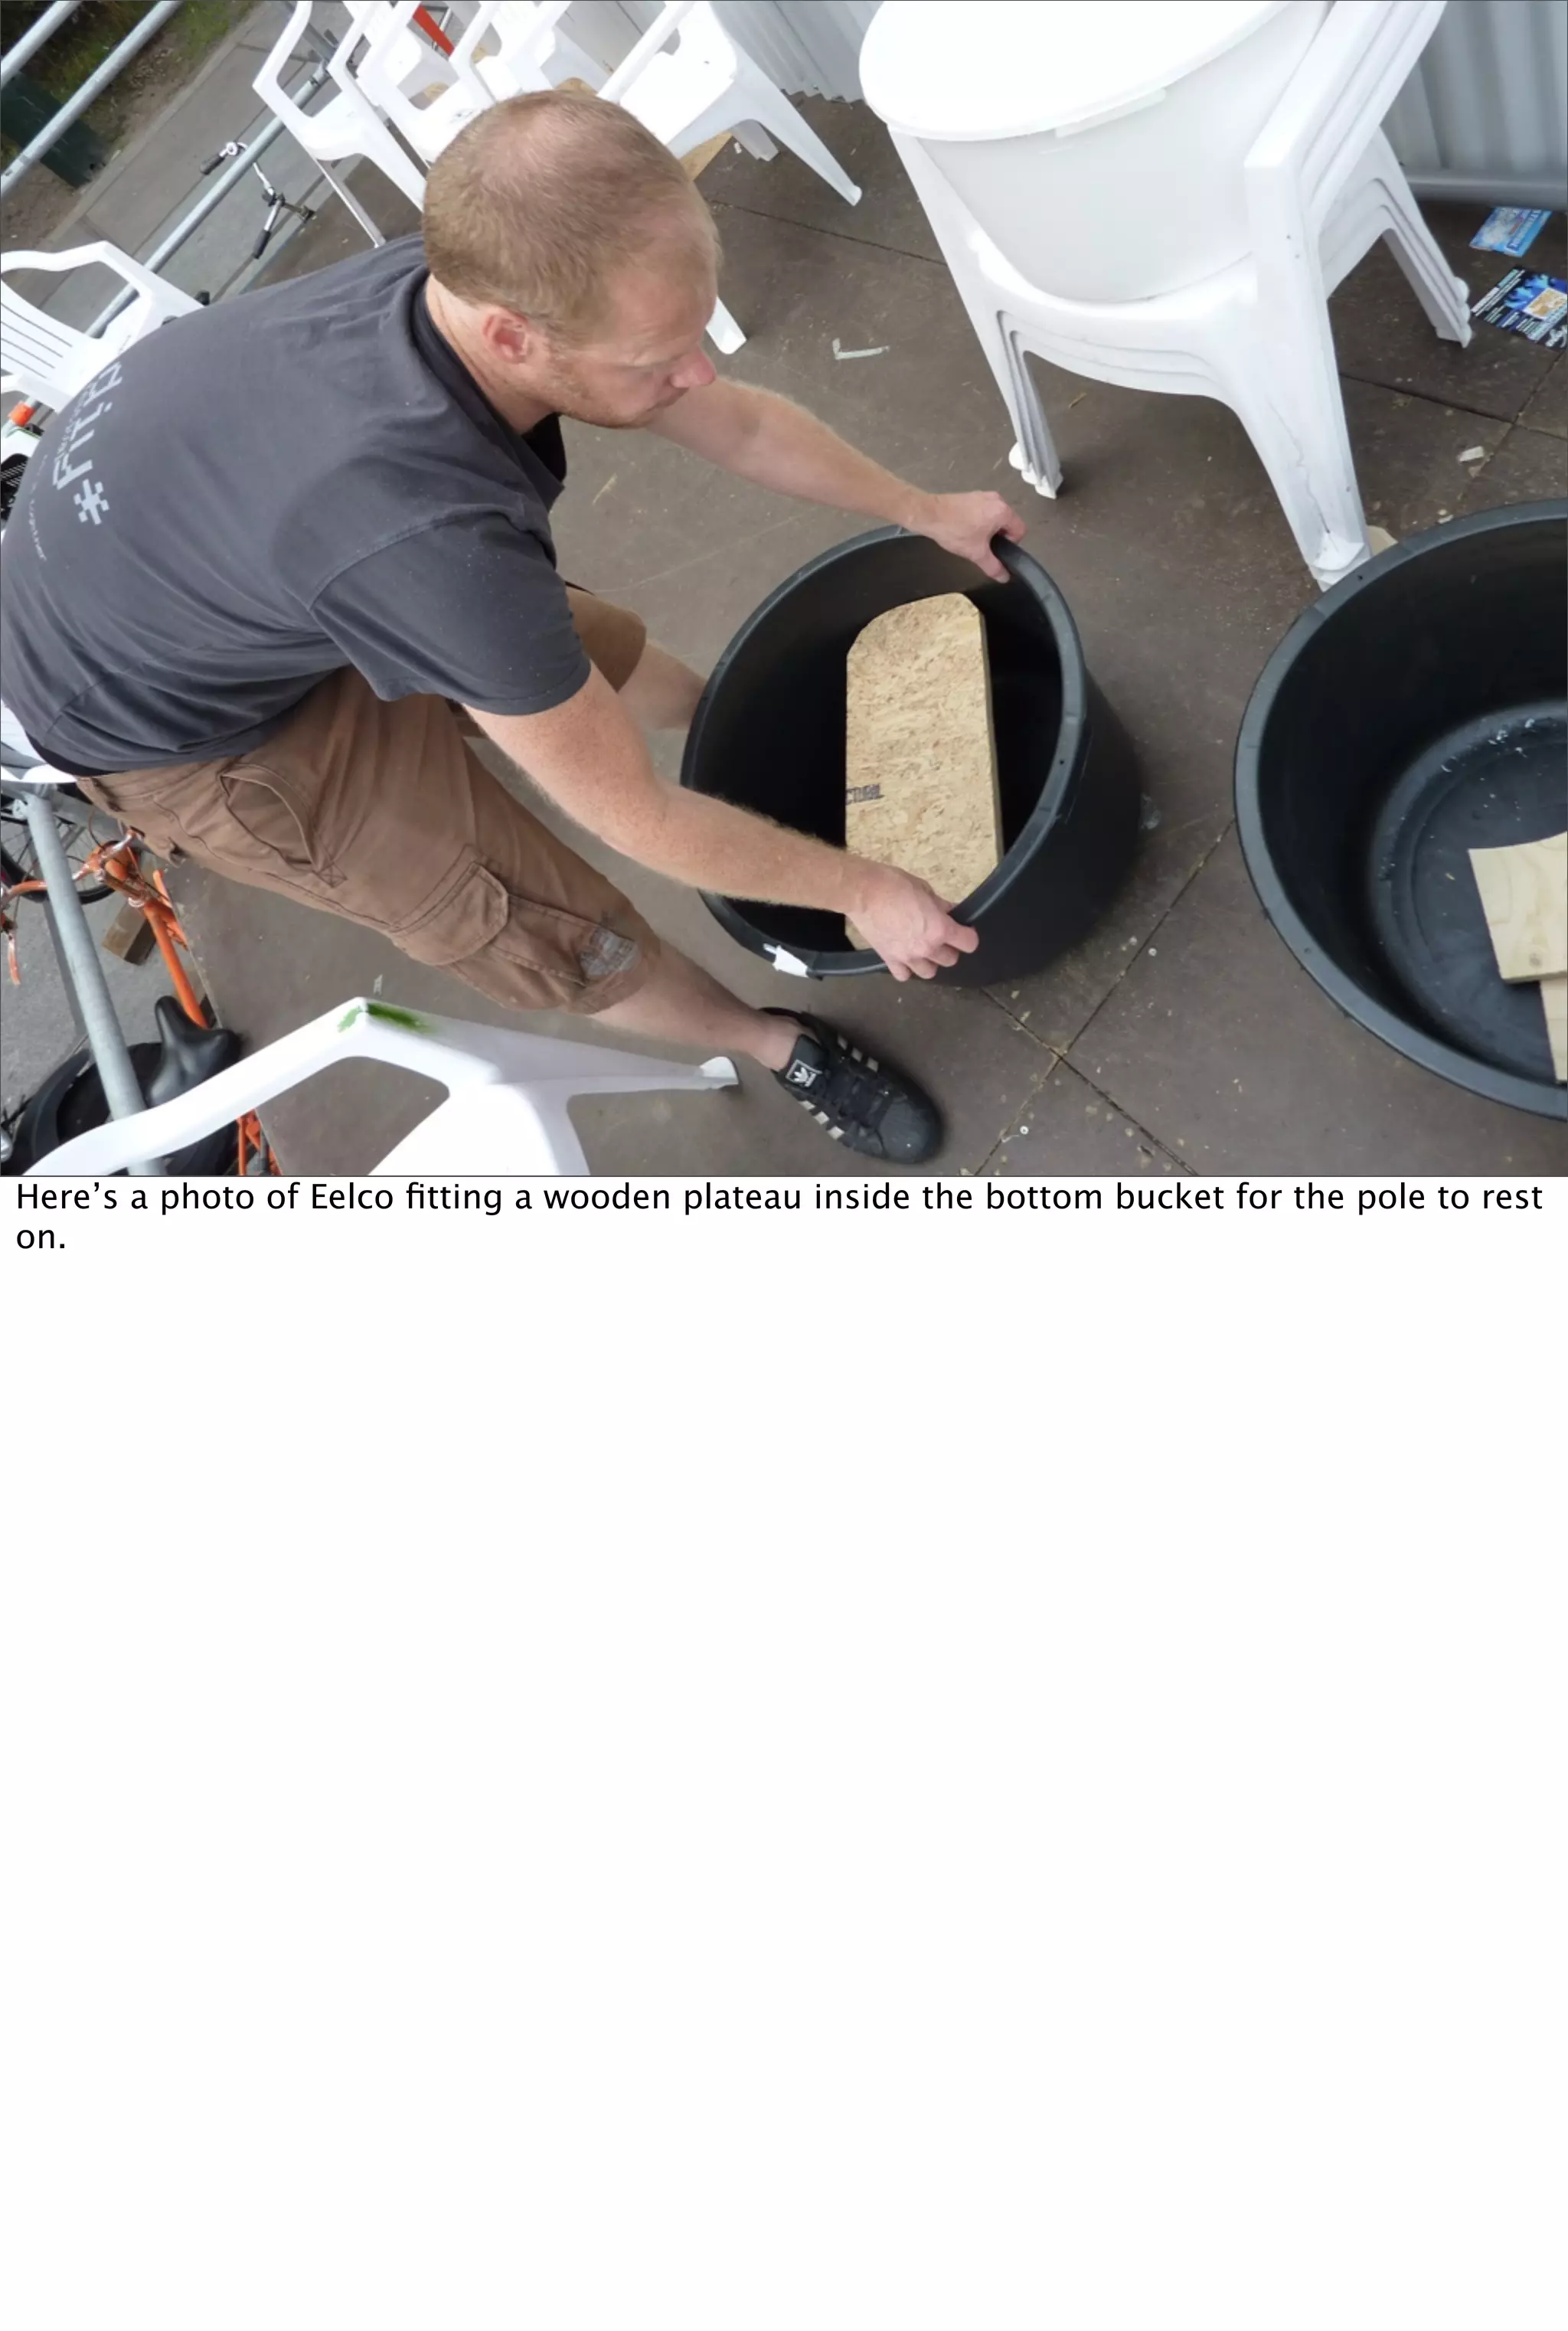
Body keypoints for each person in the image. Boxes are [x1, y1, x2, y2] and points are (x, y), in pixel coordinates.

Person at [0, 92, 1024, 1162]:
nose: (696, 375)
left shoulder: (478, 280)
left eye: (692, 335)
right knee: (531, 922)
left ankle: (762, 765)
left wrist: (926, 509)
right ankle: (777, 1042)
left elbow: (737, 419)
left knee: (589, 658)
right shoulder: (429, 538)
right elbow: (633, 818)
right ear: (510, 335)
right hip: (175, 730)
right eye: (656, 361)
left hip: (225, 564)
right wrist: (868, 890)